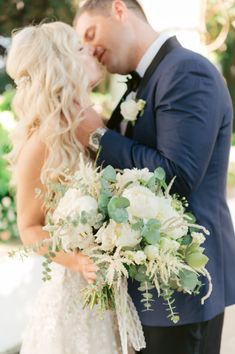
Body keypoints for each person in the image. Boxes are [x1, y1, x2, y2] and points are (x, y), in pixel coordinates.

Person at [75, 1, 235, 353]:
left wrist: (99, 136)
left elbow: (176, 175)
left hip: (183, 286)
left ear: (118, 10)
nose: (89, 49)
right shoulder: (143, 83)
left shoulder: (186, 72)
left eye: (90, 34)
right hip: (149, 288)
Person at [6, 21, 121, 354]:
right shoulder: (41, 143)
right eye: (81, 49)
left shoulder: (95, 122)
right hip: (73, 295)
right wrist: (75, 261)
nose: (92, 51)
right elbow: (28, 228)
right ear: (63, 64)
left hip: (111, 289)